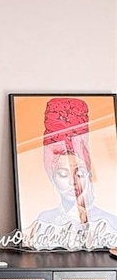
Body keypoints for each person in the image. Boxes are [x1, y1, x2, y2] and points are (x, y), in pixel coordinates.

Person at [26, 97, 117, 250]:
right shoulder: (44, 220)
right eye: (63, 174)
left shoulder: (109, 222)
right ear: (52, 178)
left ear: (89, 176)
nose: (72, 181)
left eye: (80, 173)